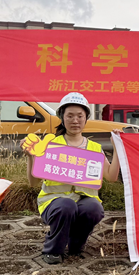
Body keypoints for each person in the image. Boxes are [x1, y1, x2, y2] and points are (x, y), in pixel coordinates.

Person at [23, 92, 121, 264]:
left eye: (79, 116)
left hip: (83, 202)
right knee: (66, 205)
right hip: (54, 203)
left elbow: (111, 177)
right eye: (70, 116)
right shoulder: (50, 146)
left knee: (94, 207)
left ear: (86, 119)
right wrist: (30, 157)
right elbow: (33, 182)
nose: (75, 120)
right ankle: (53, 250)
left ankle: (76, 245)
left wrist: (117, 148)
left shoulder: (94, 148)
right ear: (62, 118)